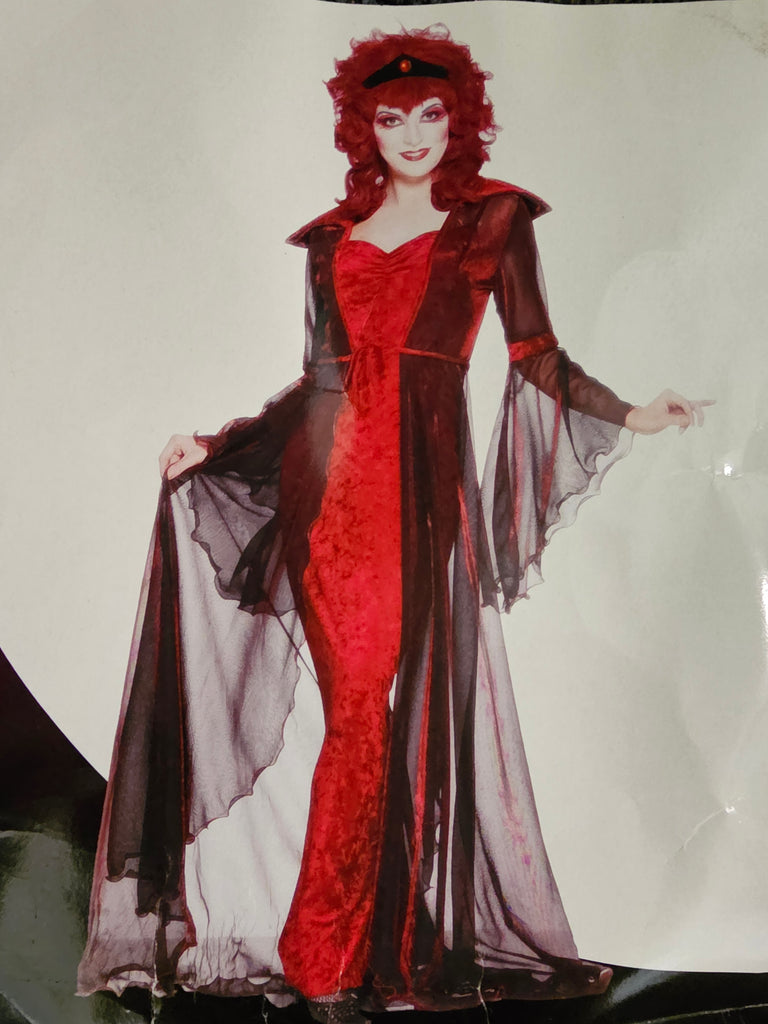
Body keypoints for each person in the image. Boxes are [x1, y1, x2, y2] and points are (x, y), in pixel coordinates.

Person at [78, 26, 709, 1023]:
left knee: (368, 719)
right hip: (323, 501)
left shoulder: (493, 221)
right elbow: (317, 385)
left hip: (413, 508)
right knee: (355, 719)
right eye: (390, 119)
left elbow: (537, 355)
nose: (412, 134)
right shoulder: (330, 240)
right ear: (363, 130)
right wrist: (219, 442)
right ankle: (333, 958)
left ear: (459, 120)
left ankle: (332, 953)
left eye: (430, 114)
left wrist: (631, 413)